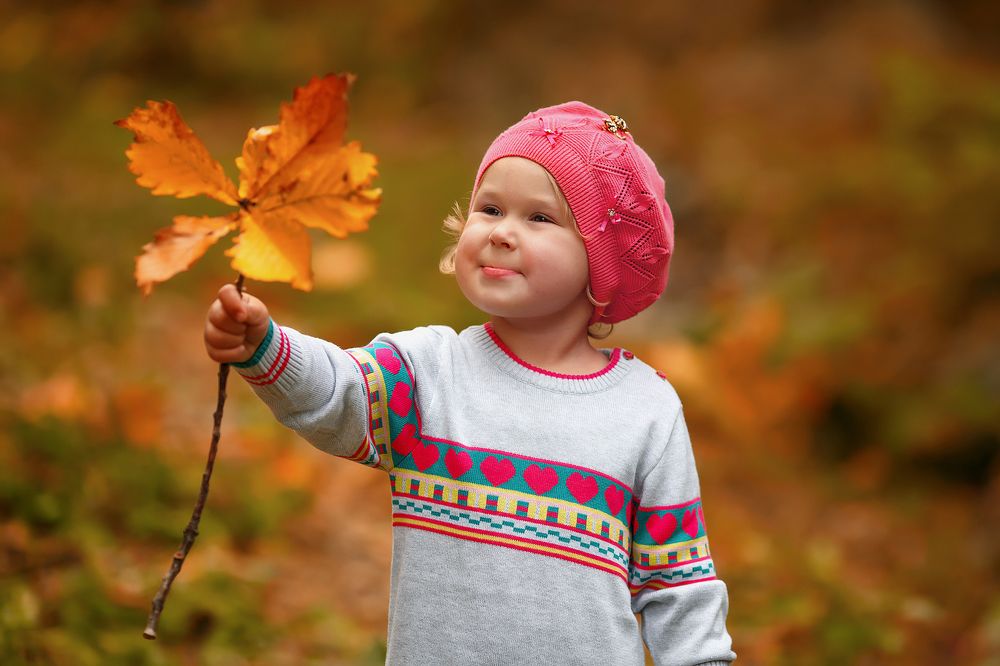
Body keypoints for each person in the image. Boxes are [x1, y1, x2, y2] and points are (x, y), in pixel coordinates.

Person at [204, 101, 736, 665]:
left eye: (540, 218)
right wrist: (265, 345)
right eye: (490, 208)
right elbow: (339, 391)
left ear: (602, 265)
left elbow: (679, 587)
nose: (502, 232)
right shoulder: (430, 372)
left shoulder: (643, 409)